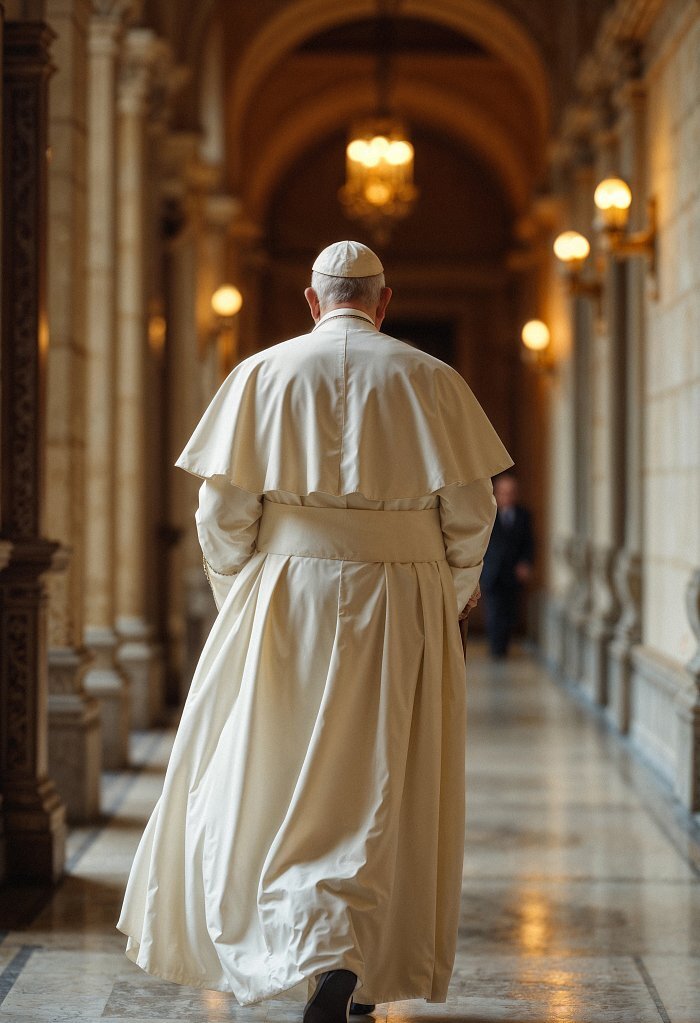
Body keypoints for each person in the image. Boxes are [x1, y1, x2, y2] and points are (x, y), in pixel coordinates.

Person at [116, 240, 514, 1021]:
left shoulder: (260, 374)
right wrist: (447, 596)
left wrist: (244, 593)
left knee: (272, 769)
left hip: (284, 595)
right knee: (381, 776)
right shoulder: (433, 379)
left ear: (312, 299)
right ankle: (352, 957)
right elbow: (471, 516)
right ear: (384, 302)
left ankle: (299, 946)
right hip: (401, 598)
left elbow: (221, 515)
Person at [480, 472, 534, 659]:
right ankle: (496, 648)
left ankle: (504, 644)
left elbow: (529, 542)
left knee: (509, 610)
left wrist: (525, 563)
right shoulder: (488, 514)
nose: (507, 496)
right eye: (503, 492)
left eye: (510, 492)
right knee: (494, 609)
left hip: (513, 572)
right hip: (492, 571)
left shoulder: (523, 515)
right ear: (496, 493)